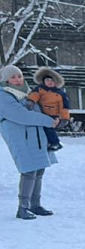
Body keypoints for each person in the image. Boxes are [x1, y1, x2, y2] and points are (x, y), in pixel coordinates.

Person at [0, 64, 58, 219]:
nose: (17, 79)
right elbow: (22, 116)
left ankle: (35, 205)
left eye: (19, 76)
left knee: (39, 170)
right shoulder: (3, 96)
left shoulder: (28, 93)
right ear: (5, 79)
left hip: (37, 137)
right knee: (28, 171)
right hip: (21, 138)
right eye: (12, 77)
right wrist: (48, 121)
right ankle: (22, 208)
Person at [26, 67, 71, 151]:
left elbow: (64, 107)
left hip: (53, 115)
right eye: (47, 80)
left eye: (52, 80)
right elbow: (35, 94)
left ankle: (55, 143)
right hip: (42, 113)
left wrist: (64, 119)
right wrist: (31, 101)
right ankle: (46, 143)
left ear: (56, 82)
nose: (50, 82)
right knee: (42, 129)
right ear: (43, 81)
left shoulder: (61, 94)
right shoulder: (40, 90)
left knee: (49, 129)